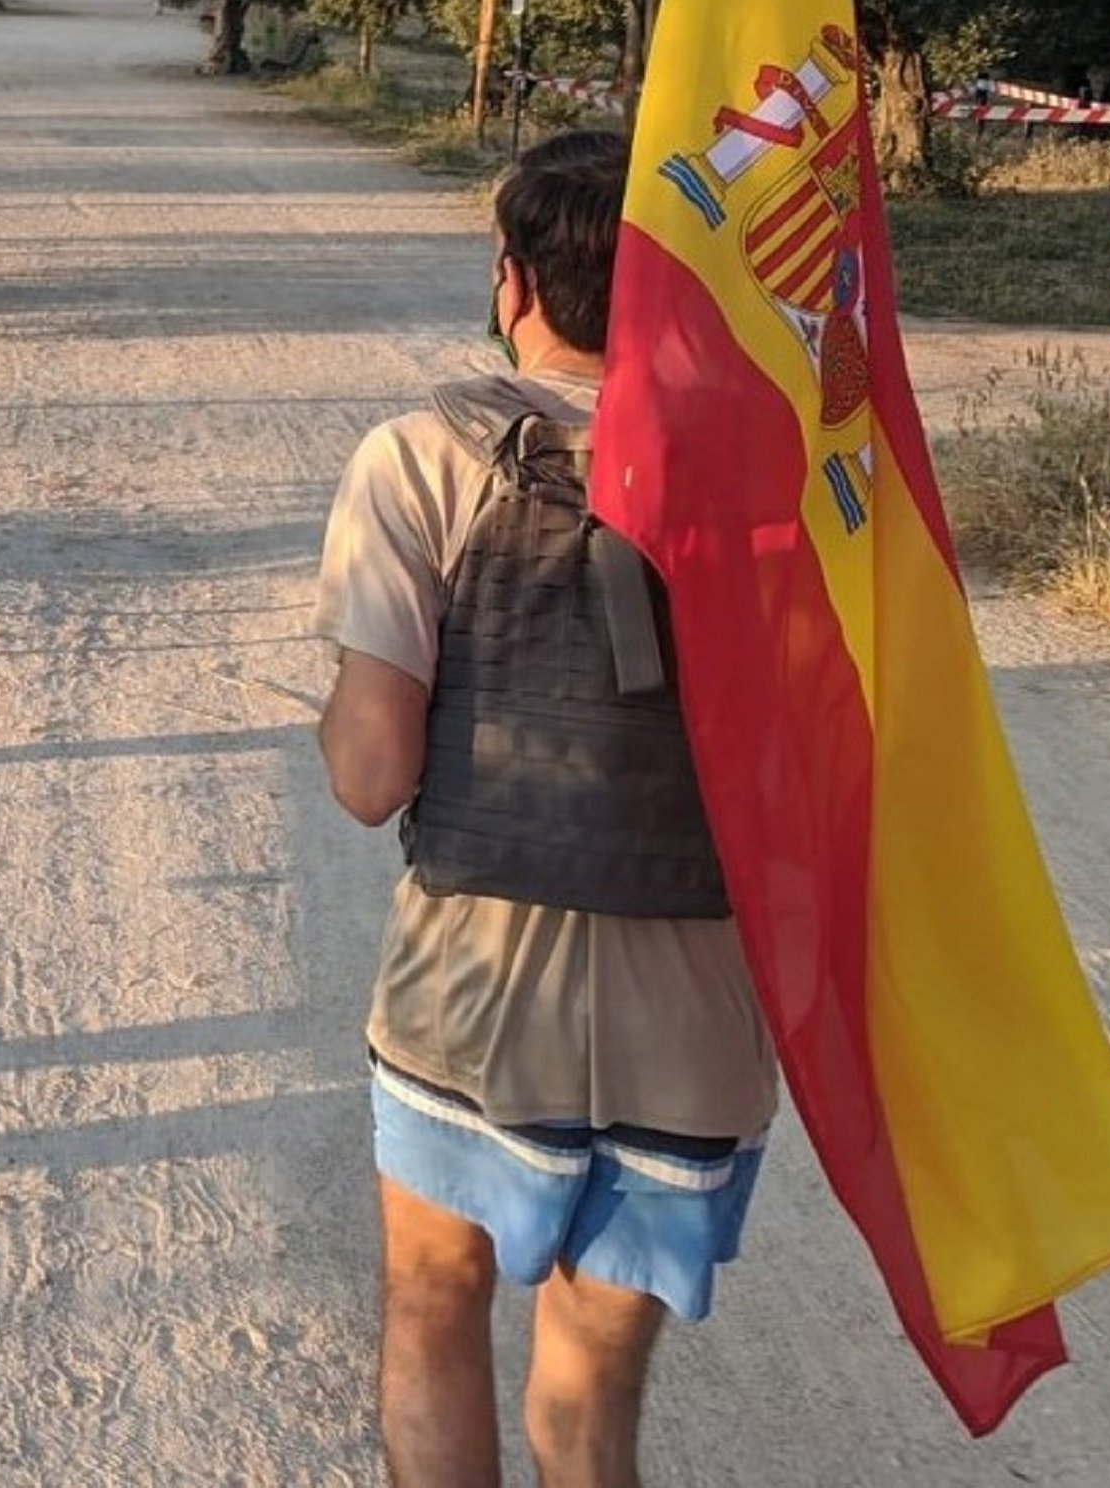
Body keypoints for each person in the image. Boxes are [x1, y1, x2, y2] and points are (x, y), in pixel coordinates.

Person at [311, 130, 779, 1488]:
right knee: (590, 1399)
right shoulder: (770, 480)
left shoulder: (417, 461)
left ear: (509, 280)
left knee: (432, 1309)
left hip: (476, 984)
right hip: (695, 1001)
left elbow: (369, 779)